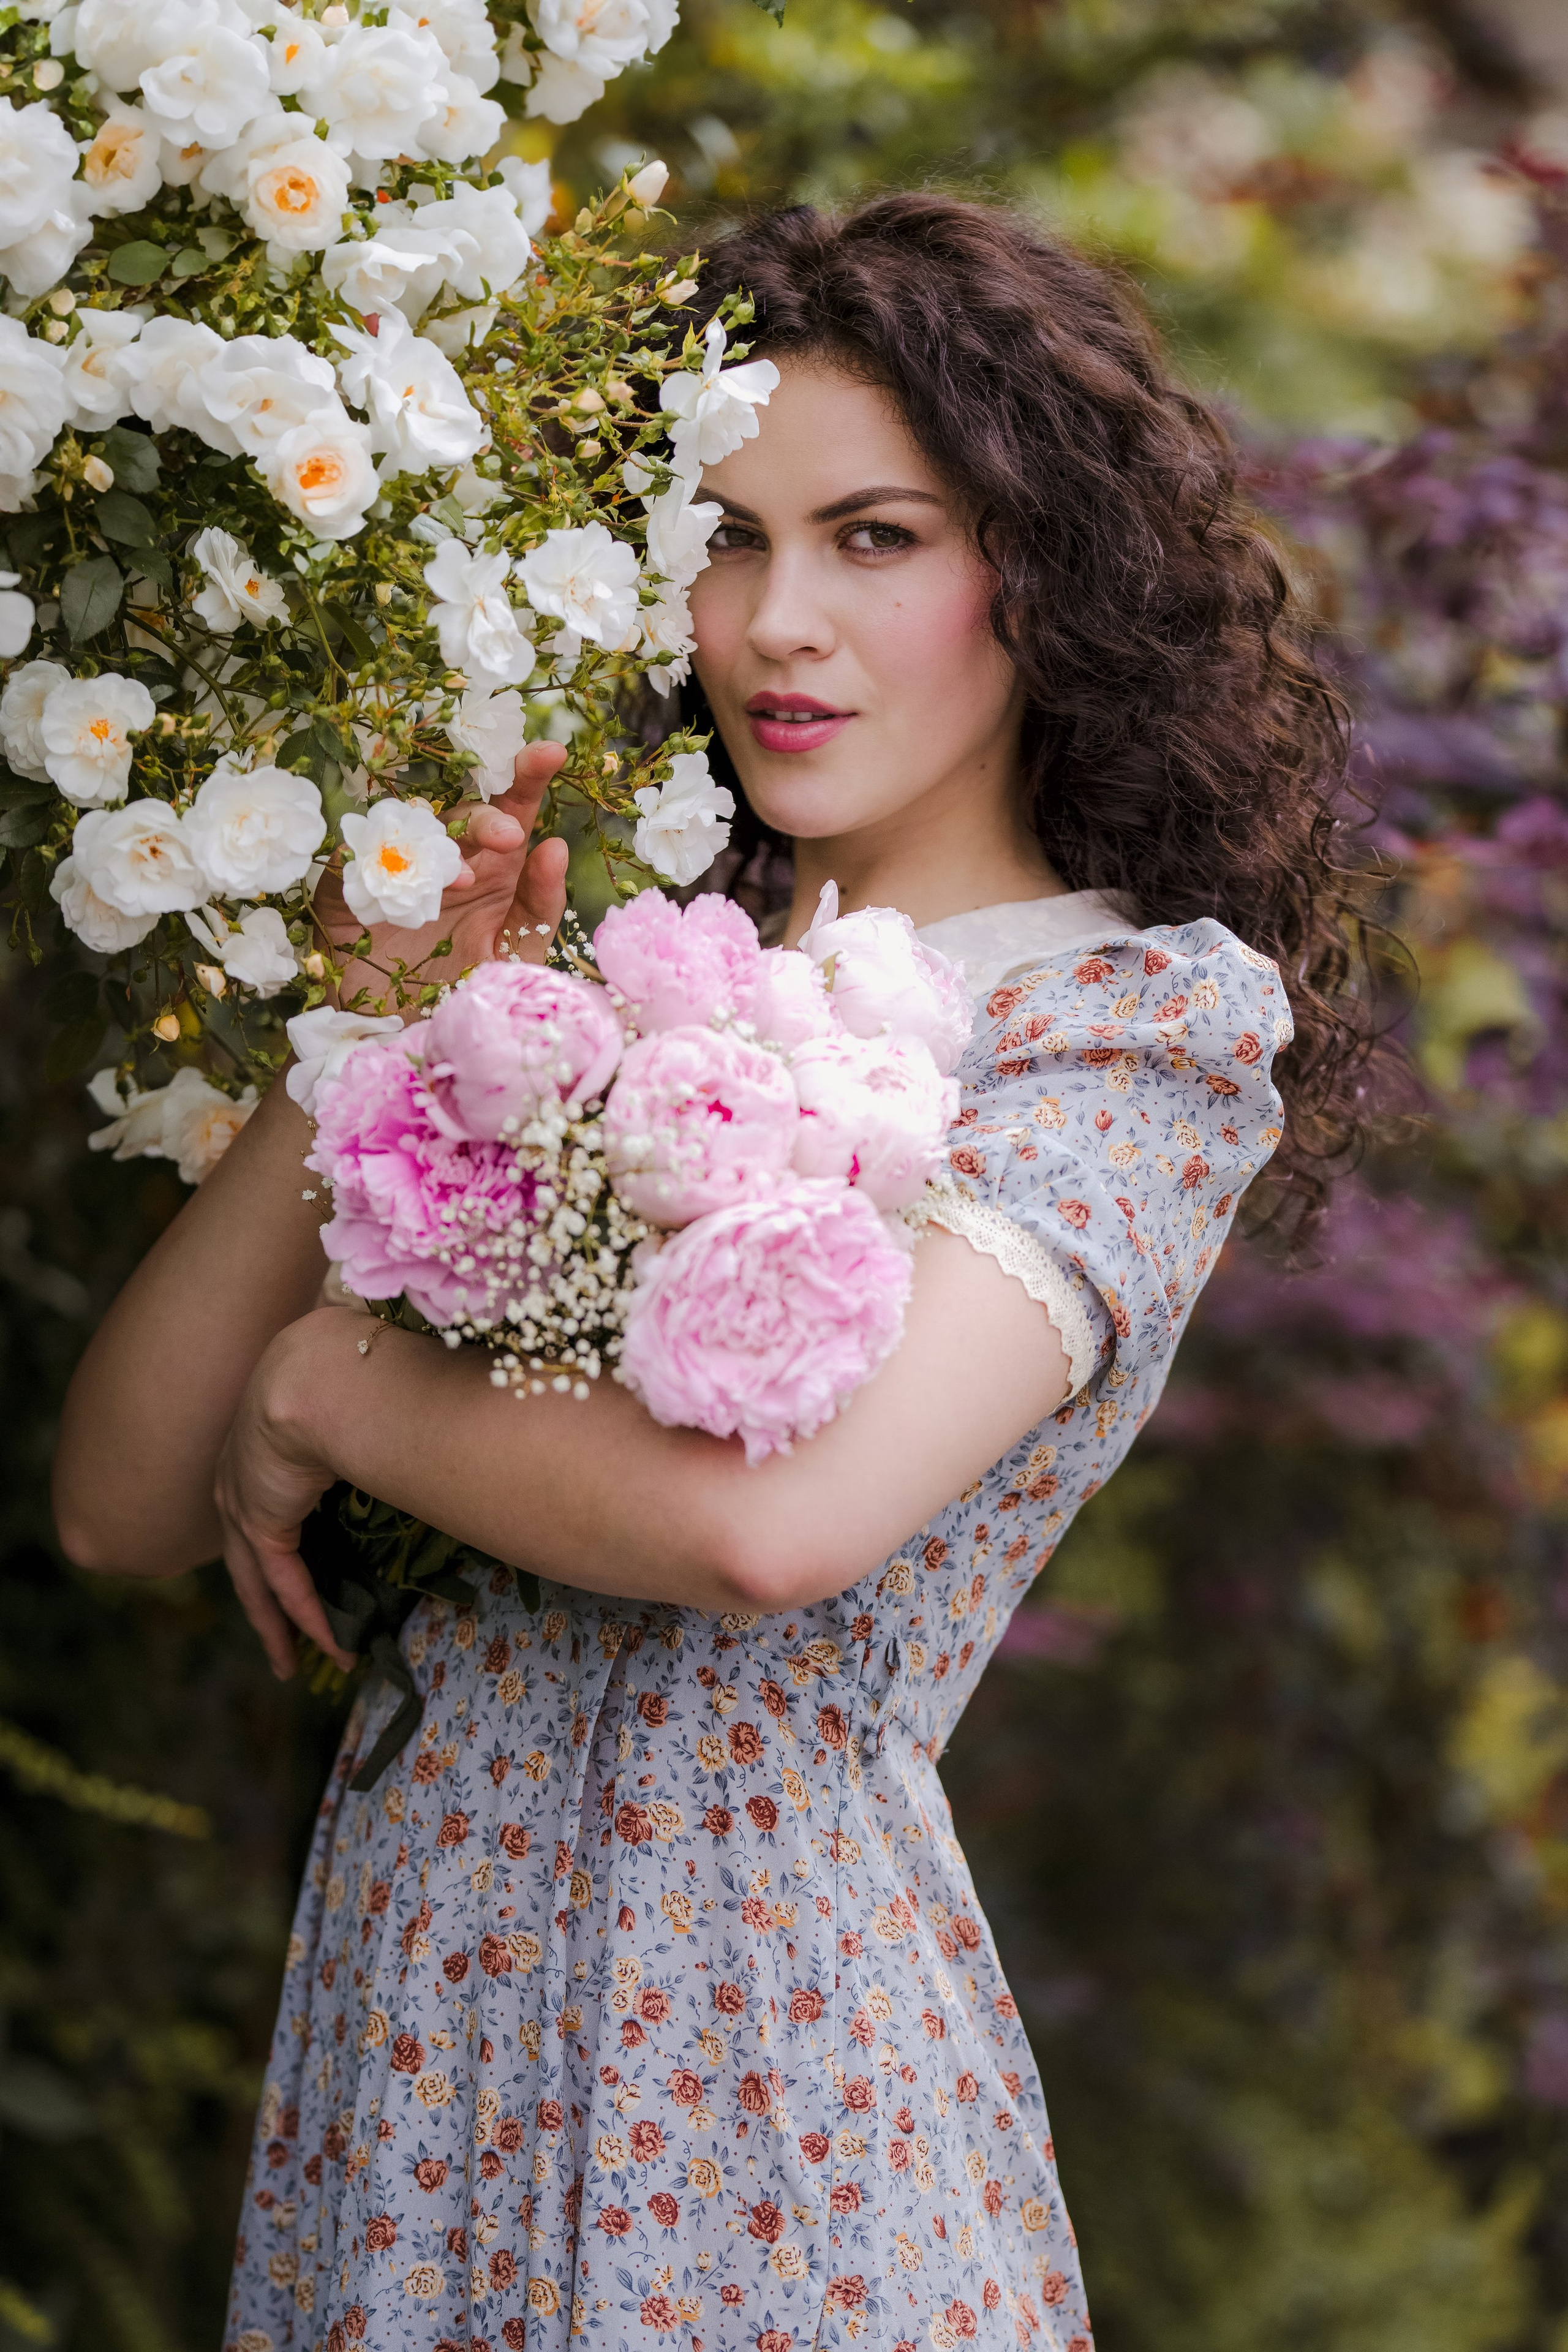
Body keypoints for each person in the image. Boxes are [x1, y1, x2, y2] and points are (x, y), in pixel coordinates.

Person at [53, 195, 1366, 2352]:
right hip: (419, 2042)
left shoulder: (1123, 1036)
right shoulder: (590, 985)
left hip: (760, 2073)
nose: (775, 623)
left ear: (1043, 571)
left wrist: (333, 1396)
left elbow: (775, 1526)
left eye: (875, 537)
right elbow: (115, 1505)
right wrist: (385, 1031)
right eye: (722, 535)